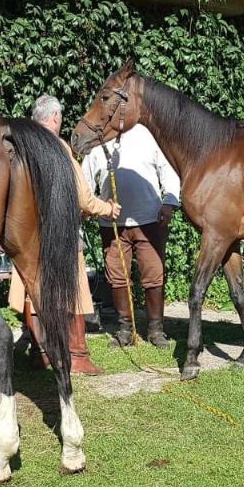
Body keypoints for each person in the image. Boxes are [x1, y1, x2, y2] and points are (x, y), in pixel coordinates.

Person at [8, 95, 121, 376]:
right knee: (75, 292)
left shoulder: (19, 146)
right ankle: (78, 356)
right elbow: (83, 197)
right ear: (56, 117)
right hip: (61, 235)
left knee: (33, 292)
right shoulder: (59, 147)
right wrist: (107, 208)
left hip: (26, 235)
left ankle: (41, 353)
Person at [81, 124, 180, 348]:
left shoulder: (148, 134)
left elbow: (168, 169)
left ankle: (156, 330)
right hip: (112, 223)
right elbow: (85, 181)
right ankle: (125, 329)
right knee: (116, 276)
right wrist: (92, 206)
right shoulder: (99, 140)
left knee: (153, 274)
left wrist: (169, 203)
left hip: (149, 220)